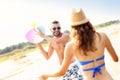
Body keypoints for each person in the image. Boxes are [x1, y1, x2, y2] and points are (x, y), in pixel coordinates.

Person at [39, 9, 119, 80]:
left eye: (58, 28)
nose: (57, 30)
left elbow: (61, 72)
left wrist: (46, 76)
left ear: (72, 27)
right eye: (54, 28)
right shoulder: (102, 36)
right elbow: (116, 59)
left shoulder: (69, 42)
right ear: (88, 23)